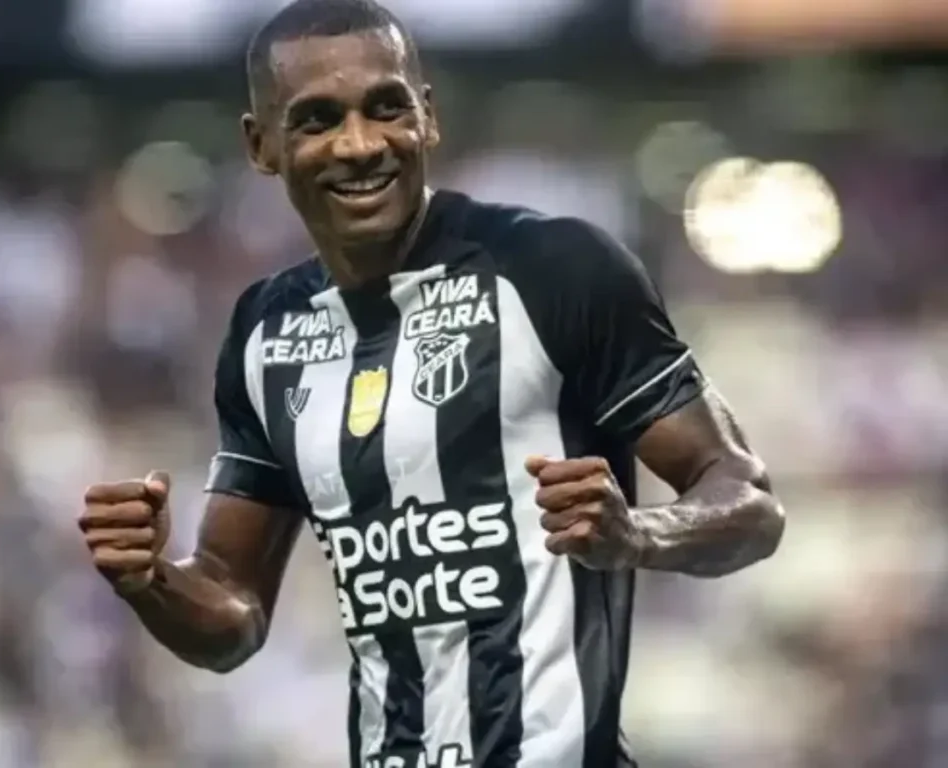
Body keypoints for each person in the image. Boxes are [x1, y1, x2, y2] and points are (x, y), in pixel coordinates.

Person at [77, 1, 786, 766]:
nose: (360, 145)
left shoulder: (555, 269)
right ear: (262, 145)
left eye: (386, 108)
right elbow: (234, 617)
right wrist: (149, 578)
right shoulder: (265, 331)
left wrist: (638, 534)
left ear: (428, 116)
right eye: (317, 120)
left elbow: (749, 503)